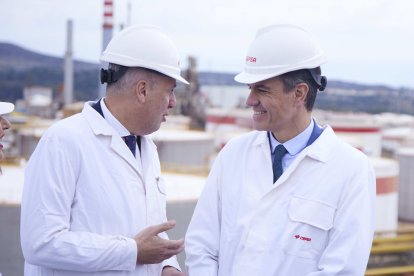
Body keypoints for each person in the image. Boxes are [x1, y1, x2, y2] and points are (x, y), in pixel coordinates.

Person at [185, 23, 376, 275]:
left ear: (299, 93)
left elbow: (342, 270)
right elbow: (201, 247)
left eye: (261, 90)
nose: (249, 100)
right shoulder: (233, 154)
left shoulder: (352, 171)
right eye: (249, 88)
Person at [21, 25, 189, 276]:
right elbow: (40, 243)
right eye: (170, 91)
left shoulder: (146, 148)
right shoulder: (64, 141)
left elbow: (147, 229)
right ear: (142, 90)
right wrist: (131, 252)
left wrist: (166, 266)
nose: (173, 103)